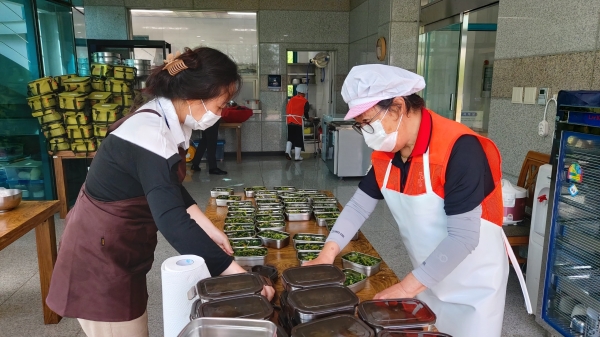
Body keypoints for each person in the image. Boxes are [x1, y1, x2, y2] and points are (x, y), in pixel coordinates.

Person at [46, 47, 274, 337]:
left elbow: (169, 188)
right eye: (221, 104)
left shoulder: (165, 118)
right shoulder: (149, 132)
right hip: (99, 257)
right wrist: (240, 277)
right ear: (196, 96)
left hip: (118, 247)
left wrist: (208, 228)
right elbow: (172, 221)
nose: (221, 112)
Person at [304, 64, 530, 337]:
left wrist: (405, 288)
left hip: (472, 285)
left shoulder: (459, 148)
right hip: (427, 277)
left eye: (369, 122)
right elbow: (359, 205)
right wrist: (327, 254)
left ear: (398, 106)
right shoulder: (388, 153)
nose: (366, 133)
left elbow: (463, 238)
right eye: (360, 125)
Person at [285, 83, 309, 161]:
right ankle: (297, 156)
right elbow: (305, 113)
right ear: (304, 92)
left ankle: (287, 151)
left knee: (290, 138)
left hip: (289, 121)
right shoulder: (305, 101)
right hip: (298, 122)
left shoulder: (291, 99)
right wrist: (308, 118)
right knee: (298, 139)